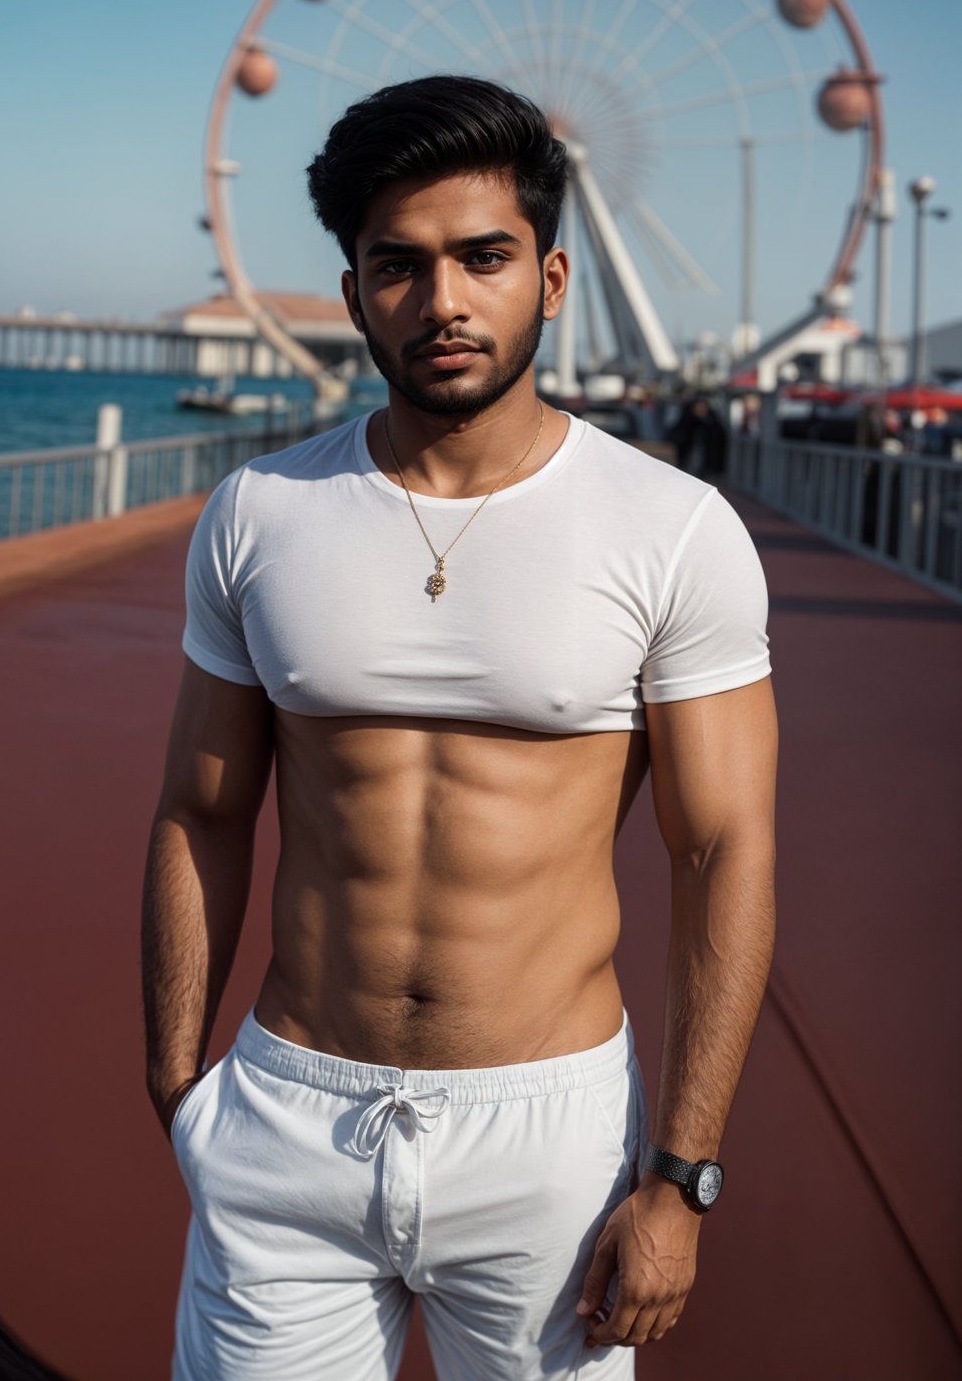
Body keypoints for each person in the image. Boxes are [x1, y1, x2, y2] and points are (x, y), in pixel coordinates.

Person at [142, 75, 778, 1381]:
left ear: (550, 277)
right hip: (287, 1115)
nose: (442, 302)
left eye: (482, 258)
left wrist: (684, 1178)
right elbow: (201, 810)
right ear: (357, 287)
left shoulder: (671, 529)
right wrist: (179, 1091)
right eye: (399, 266)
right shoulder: (262, 512)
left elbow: (721, 853)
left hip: (551, 1138)